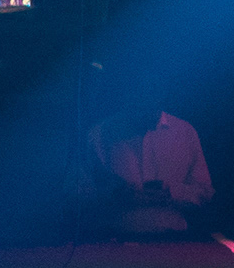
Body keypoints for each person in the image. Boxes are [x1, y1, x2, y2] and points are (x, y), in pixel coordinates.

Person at [88, 89, 215, 237]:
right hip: (115, 241)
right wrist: (116, 195)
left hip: (174, 241)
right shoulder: (99, 133)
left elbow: (204, 192)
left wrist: (171, 192)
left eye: (154, 89)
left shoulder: (185, 132)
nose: (148, 95)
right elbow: (79, 192)